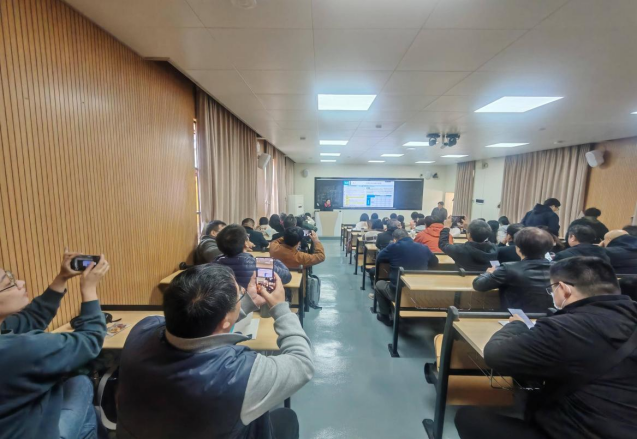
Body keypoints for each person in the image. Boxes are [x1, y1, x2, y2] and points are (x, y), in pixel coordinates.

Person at [116, 264, 314, 439]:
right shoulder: (241, 376)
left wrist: (243, 304)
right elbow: (302, 363)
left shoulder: (142, 329)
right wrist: (280, 309)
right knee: (287, 418)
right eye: (240, 293)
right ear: (225, 321)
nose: (243, 292)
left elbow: (194, 325)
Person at [455, 257, 637, 439]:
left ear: (563, 289)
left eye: (552, 289)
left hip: (581, 431)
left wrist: (516, 325)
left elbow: (496, 354)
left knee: (469, 417)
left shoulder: (564, 327)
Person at [0, 251, 110, 439]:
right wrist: (89, 289)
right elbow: (90, 340)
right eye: (8, 283)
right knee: (81, 383)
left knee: (86, 415)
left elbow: (32, 318)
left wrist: (62, 277)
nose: (21, 283)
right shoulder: (18, 349)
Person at [473, 228, 553, 311]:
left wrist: (489, 273)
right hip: (552, 316)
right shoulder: (559, 268)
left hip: (516, 316)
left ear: (518, 248)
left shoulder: (508, 269)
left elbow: (478, 285)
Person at [374, 229, 438, 326]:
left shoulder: (393, 247)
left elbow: (379, 258)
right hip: (421, 292)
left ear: (395, 239)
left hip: (398, 292)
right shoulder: (424, 247)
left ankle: (385, 315)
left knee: (379, 284)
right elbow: (435, 262)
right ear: (408, 236)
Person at [214, 225, 291, 288]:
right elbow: (287, 276)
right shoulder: (260, 263)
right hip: (255, 301)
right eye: (247, 237)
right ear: (246, 243)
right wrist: (274, 261)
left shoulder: (215, 264)